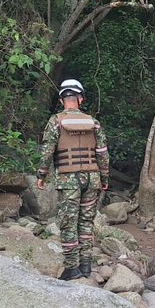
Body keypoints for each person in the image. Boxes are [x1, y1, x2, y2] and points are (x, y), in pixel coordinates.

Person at [36, 78, 109, 280]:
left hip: (68, 180)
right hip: (92, 178)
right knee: (86, 222)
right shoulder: (93, 123)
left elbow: (47, 151)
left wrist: (42, 174)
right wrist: (104, 177)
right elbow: (102, 153)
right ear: (81, 99)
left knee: (68, 223)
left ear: (61, 100)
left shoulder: (55, 121)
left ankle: (71, 268)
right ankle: (86, 266)